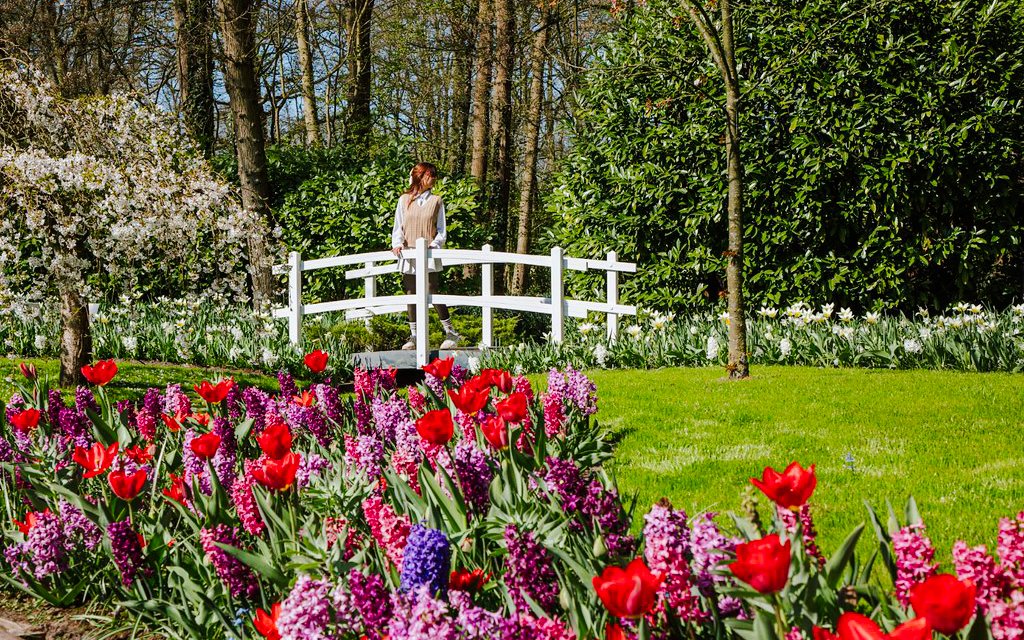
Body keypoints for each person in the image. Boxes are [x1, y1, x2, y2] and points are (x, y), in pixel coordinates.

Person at [390, 162, 461, 350]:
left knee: (433, 289)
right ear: (420, 176)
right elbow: (398, 227)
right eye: (431, 174)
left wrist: (434, 244)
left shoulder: (437, 201)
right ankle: (414, 336)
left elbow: (441, 231)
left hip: (428, 253)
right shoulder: (404, 200)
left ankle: (450, 332)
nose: (434, 177)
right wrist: (397, 244)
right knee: (410, 292)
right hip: (410, 253)